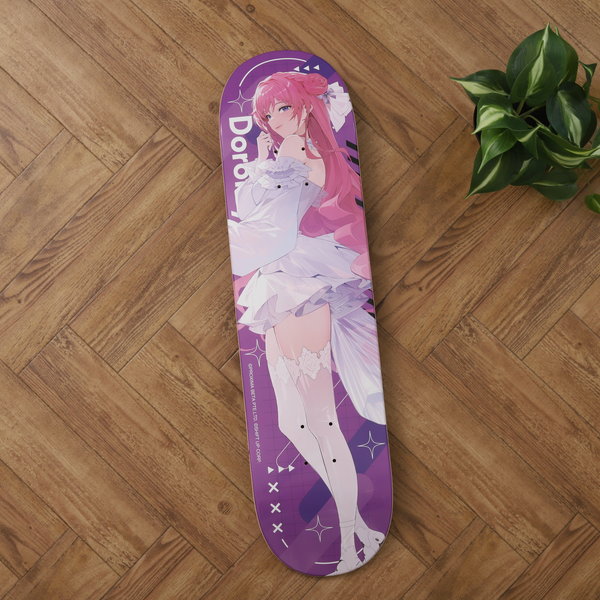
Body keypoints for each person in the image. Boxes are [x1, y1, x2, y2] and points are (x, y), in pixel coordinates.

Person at [227, 71, 385, 575]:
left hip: (302, 283)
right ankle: (357, 526)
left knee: (320, 421)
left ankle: (349, 538)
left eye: (284, 109)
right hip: (279, 283)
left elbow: (279, 213)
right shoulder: (285, 156)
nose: (276, 121)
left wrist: (279, 169)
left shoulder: (306, 157)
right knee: (289, 423)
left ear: (304, 108)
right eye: (268, 114)